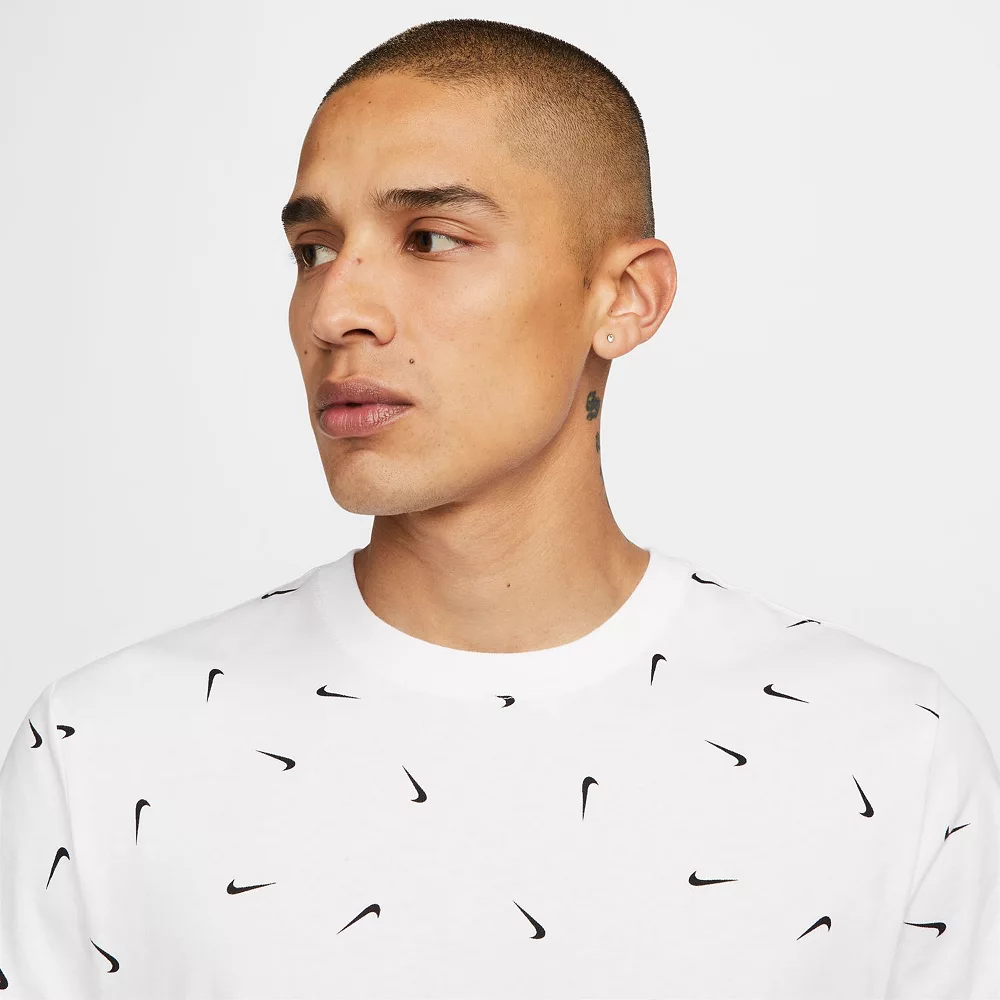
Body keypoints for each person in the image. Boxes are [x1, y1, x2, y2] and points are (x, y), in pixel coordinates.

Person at [1, 16, 998, 1000]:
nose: (336, 310)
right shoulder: (105, 751)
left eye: (430, 238)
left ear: (625, 298)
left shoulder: (887, 751)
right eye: (313, 249)